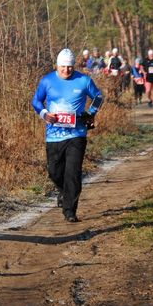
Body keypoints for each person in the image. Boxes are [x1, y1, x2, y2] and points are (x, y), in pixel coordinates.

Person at [32, 49, 104, 222]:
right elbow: (36, 101)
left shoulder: (84, 80)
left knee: (72, 172)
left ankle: (70, 211)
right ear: (57, 65)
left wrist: (90, 113)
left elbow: (99, 97)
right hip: (54, 136)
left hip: (77, 133)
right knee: (54, 172)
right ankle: (64, 192)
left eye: (70, 67)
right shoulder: (47, 81)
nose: (66, 70)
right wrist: (44, 114)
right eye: (63, 66)